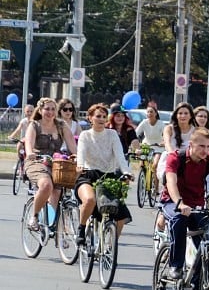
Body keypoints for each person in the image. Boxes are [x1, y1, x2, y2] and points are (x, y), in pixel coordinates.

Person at [159, 128, 209, 280]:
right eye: (202, 146)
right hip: (172, 201)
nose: (206, 150)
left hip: (196, 206)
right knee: (179, 219)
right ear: (191, 144)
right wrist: (180, 203)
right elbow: (171, 182)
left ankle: (198, 286)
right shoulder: (176, 158)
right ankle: (175, 265)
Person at [75, 104, 133, 243]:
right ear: (90, 118)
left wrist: (126, 172)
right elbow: (81, 152)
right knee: (89, 200)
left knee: (121, 216)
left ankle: (109, 246)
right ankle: (81, 229)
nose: (101, 119)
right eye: (97, 116)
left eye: (103, 116)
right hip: (88, 175)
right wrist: (80, 165)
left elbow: (120, 156)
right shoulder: (85, 135)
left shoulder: (112, 134)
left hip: (109, 177)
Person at [23, 98, 77, 230]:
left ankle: (52, 223)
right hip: (37, 161)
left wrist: (77, 157)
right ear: (40, 110)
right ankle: (34, 217)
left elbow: (72, 145)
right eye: (47, 109)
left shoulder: (61, 125)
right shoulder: (34, 125)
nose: (50, 112)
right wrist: (30, 153)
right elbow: (28, 143)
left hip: (56, 163)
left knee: (58, 189)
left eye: (53, 109)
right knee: (46, 185)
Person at [156, 102, 196, 233]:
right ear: (176, 115)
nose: (183, 116)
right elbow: (167, 143)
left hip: (189, 163)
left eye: (186, 113)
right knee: (170, 182)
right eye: (180, 113)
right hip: (170, 160)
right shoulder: (170, 128)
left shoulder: (195, 130)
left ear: (191, 115)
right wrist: (173, 154)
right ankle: (163, 210)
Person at [135, 104, 166, 175]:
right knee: (142, 163)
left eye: (151, 112)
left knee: (155, 165)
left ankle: (156, 185)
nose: (149, 113)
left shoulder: (161, 123)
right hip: (146, 146)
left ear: (156, 113)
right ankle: (143, 177)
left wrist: (164, 142)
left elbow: (165, 135)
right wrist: (136, 142)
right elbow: (136, 133)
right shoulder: (144, 122)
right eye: (148, 112)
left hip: (158, 147)